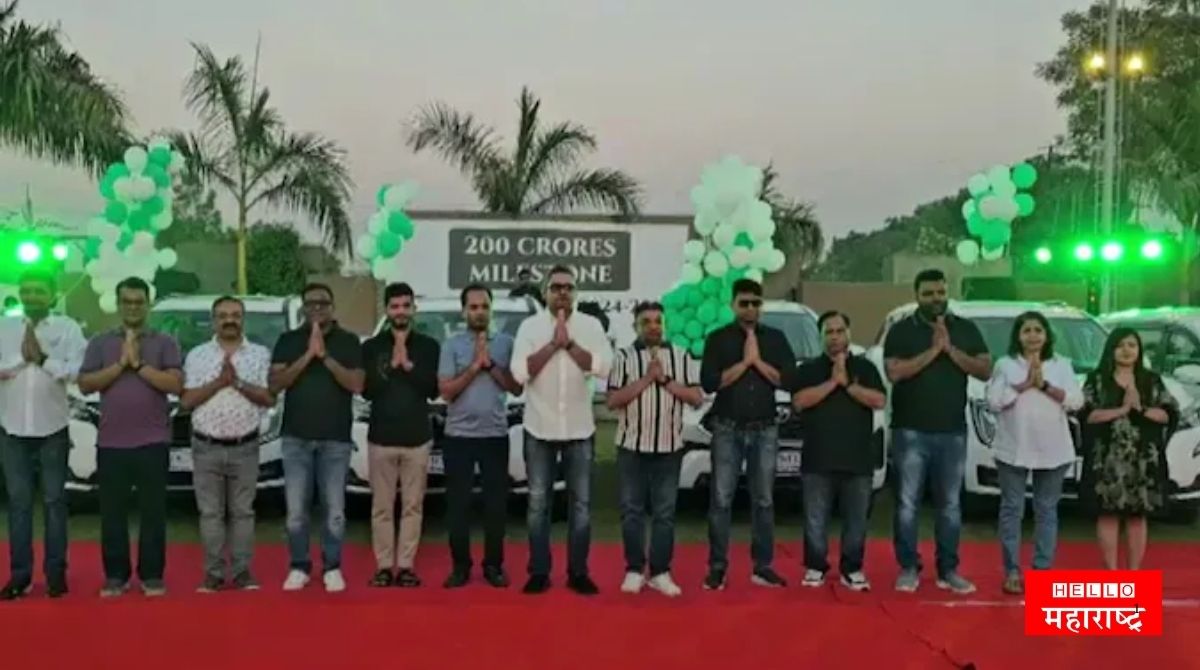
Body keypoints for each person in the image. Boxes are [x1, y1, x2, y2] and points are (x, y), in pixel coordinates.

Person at [883, 268, 991, 595]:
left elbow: (984, 369)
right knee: (907, 504)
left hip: (952, 431)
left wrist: (951, 350)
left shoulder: (965, 328)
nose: (936, 299)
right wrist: (933, 351)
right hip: (910, 431)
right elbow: (894, 372)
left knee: (950, 505)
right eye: (928, 294)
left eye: (940, 293)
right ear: (917, 295)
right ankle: (908, 567)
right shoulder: (902, 330)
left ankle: (948, 569)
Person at [77, 276, 183, 598]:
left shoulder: (165, 342)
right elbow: (86, 384)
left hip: (153, 441)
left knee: (154, 513)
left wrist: (138, 366)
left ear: (148, 304)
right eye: (127, 301)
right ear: (118, 304)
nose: (133, 307)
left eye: (139, 302)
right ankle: (116, 576)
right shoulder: (100, 342)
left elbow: (175, 384)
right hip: (112, 442)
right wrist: (119, 365)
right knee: (112, 514)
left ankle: (152, 575)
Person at [511, 265, 612, 595]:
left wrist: (570, 346)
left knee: (580, 507)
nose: (563, 293)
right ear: (545, 293)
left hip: (580, 429)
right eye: (556, 287)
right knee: (538, 504)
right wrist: (552, 346)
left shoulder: (590, 326)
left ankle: (578, 572)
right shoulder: (529, 327)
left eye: (568, 287)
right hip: (539, 428)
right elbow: (519, 373)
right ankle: (539, 571)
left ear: (576, 292)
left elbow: (604, 367)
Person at [699, 278, 795, 590]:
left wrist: (758, 362)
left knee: (764, 500)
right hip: (727, 427)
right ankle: (717, 567)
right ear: (733, 305)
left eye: (756, 303)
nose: (750, 309)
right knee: (721, 499)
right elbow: (710, 383)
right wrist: (745, 363)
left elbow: (788, 380)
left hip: (765, 427)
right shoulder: (718, 339)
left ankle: (763, 566)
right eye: (744, 303)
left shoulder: (776, 339)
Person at [269, 283, 364, 593]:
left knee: (334, 511)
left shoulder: (348, 341)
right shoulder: (288, 340)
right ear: (303, 307)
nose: (317, 308)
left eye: (323, 303)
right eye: (311, 303)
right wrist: (308, 355)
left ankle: (332, 567)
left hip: (335, 439)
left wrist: (325, 358)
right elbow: (276, 383)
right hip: (295, 438)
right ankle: (299, 566)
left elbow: (356, 384)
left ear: (332, 307)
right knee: (296, 513)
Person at [607, 301, 703, 597]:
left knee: (665, 513)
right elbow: (612, 400)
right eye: (646, 321)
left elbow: (695, 398)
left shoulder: (681, 355)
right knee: (631, 511)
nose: (653, 326)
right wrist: (647, 379)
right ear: (635, 326)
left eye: (658, 321)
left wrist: (664, 380)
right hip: (632, 447)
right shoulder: (623, 357)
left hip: (669, 447)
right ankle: (634, 570)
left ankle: (660, 571)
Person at [0, 270, 86, 600]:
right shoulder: (5, 327)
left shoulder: (68, 328)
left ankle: (55, 575)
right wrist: (22, 359)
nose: (31, 296)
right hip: (11, 429)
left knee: (54, 502)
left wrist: (45, 360)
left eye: (39, 291)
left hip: (53, 429)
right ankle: (20, 576)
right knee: (19, 504)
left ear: (52, 294)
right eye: (27, 290)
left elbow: (77, 372)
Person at [180, 296, 275, 593]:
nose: (229, 320)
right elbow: (187, 401)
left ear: (243, 319)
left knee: (243, 513)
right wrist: (219, 383)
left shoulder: (260, 354)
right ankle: (213, 573)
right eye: (222, 315)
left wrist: (238, 384)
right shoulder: (197, 356)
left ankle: (243, 572)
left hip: (245, 446)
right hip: (206, 446)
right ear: (213, 320)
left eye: (235, 315)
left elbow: (269, 398)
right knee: (210, 513)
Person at [985, 311, 1083, 594]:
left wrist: (1045, 386)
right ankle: (1012, 570)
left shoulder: (1061, 364)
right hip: (1014, 447)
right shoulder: (1005, 365)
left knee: (1046, 510)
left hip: (1053, 448)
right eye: (1026, 330)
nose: (1032, 336)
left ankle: (1042, 570)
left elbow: (1076, 401)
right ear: (1018, 335)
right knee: (1012, 509)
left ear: (1046, 335)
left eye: (1038, 330)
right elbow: (993, 401)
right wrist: (1025, 385)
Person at [792, 311, 886, 592]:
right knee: (815, 519)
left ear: (848, 333)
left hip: (858, 457)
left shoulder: (865, 368)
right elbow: (799, 401)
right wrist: (833, 382)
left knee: (856, 520)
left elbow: (879, 400)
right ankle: (815, 566)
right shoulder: (809, 369)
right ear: (821, 337)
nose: (835, 337)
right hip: (818, 457)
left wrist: (849, 385)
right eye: (829, 332)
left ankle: (852, 568)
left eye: (839, 331)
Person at [438, 283, 522, 589]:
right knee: (458, 506)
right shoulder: (451, 345)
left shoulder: (506, 343)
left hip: (494, 435)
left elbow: (516, 388)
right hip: (458, 436)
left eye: (484, 306)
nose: (479, 312)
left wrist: (492, 365)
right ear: (463, 311)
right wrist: (475, 366)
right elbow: (446, 391)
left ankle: (493, 565)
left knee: (495, 506)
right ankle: (460, 566)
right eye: (473, 307)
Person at [361, 283, 440, 588]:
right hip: (381, 437)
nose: (401, 312)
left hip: (416, 437)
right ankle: (383, 566)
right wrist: (390, 368)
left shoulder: (429, 346)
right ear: (386, 310)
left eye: (406, 306)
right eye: (395, 307)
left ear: (414, 309)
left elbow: (432, 390)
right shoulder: (371, 348)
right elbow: (367, 391)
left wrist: (407, 366)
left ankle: (406, 566)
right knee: (382, 507)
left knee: (412, 506)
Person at [1079, 327, 1178, 571]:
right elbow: (1087, 415)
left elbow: (1168, 414)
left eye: (1132, 345)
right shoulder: (1097, 379)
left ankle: (1134, 573)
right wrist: (1121, 410)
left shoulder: (1151, 380)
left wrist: (1140, 409)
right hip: (1107, 461)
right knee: (1107, 514)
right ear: (1111, 349)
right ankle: (1111, 572)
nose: (1126, 350)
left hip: (1143, 461)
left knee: (1137, 516)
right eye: (1120, 345)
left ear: (1139, 350)